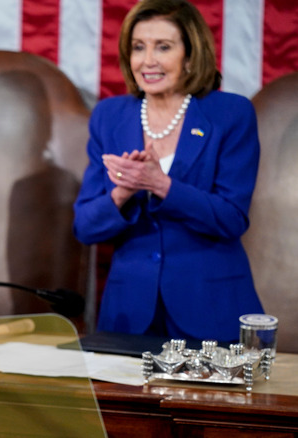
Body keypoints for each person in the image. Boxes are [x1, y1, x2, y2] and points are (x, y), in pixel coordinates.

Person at [73, 0, 264, 343]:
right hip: (128, 315)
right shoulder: (109, 116)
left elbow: (232, 218)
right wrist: (123, 192)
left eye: (163, 47)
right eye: (138, 47)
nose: (148, 60)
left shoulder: (230, 114)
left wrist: (160, 184)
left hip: (210, 310)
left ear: (190, 56)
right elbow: (85, 226)